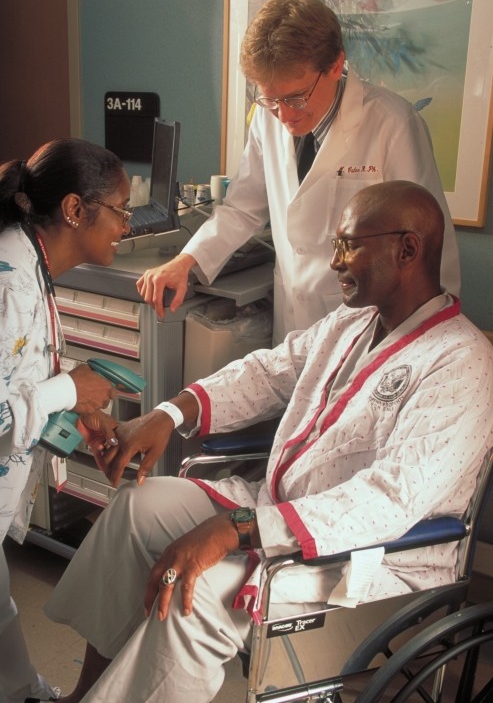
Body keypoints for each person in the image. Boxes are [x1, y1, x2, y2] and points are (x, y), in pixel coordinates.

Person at [44, 180, 493, 703]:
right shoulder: (351, 324)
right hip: (277, 512)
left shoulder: (461, 363)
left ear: (407, 249)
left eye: (350, 245)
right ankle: (86, 693)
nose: (335, 263)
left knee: (194, 595)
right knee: (134, 508)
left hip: (368, 562)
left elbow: (389, 501)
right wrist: (167, 414)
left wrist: (237, 529)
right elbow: (266, 373)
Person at [137, 0, 461, 343]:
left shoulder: (393, 123)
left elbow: (429, 244)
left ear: (335, 66)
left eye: (295, 97)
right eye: (270, 99)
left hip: (370, 328)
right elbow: (243, 209)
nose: (284, 114)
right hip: (293, 320)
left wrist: (429, 345)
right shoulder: (267, 119)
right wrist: (186, 260)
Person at [0, 138, 131, 703]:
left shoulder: (31, 262)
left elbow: (17, 374)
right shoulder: (9, 279)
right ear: (76, 210)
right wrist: (64, 388)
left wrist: (72, 401)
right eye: (121, 210)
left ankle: (25, 691)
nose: (128, 225)